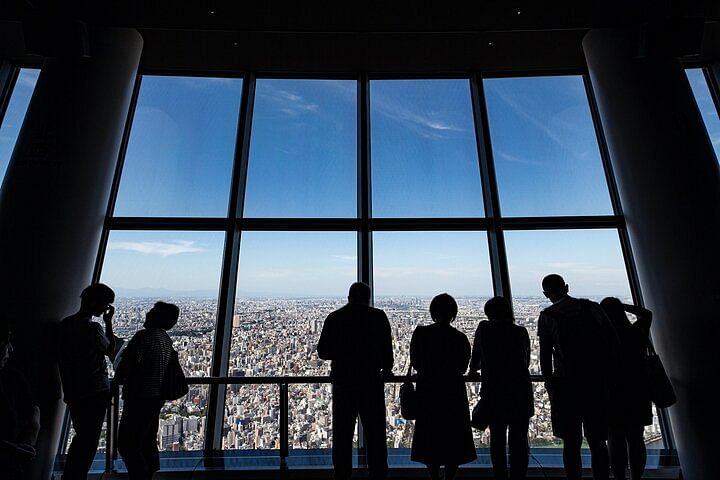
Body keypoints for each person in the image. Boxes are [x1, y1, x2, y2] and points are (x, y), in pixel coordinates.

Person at [538, 274, 619, 480]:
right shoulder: (592, 308)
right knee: (598, 442)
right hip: (596, 383)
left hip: (566, 386)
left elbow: (545, 355)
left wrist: (550, 383)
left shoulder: (548, 316)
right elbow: (612, 342)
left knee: (571, 443)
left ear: (546, 294)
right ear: (566, 287)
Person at [317, 282, 393, 480]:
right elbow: (387, 352)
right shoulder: (378, 317)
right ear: (368, 297)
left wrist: (343, 353)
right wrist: (385, 367)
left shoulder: (335, 317)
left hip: (344, 383)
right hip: (371, 382)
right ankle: (379, 474)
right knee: (375, 434)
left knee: (342, 434)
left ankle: (342, 475)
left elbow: (323, 351)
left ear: (348, 296)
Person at [410, 293, 476, 480]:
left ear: (433, 312)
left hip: (428, 391)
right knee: (453, 436)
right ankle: (449, 477)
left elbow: (415, 362)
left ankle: (434, 477)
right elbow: (463, 367)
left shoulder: (421, 333)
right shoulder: (460, 338)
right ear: (453, 313)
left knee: (430, 435)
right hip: (452, 392)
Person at [57, 283, 119, 480]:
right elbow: (111, 351)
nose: (104, 309)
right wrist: (108, 322)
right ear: (94, 303)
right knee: (89, 440)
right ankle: (76, 476)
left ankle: (72, 476)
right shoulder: (92, 328)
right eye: (104, 304)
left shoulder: (64, 325)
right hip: (94, 390)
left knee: (82, 436)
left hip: (73, 390)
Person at [114, 302, 179, 480]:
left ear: (157, 316)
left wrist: (117, 378)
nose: (147, 313)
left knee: (127, 445)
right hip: (155, 398)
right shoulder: (165, 339)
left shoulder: (144, 336)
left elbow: (127, 365)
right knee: (148, 443)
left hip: (139, 398)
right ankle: (152, 476)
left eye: (152, 311)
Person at [470, 296, 533, 480]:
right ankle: (518, 476)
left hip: (495, 392)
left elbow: (476, 358)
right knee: (519, 441)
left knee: (497, 440)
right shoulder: (520, 332)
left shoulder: (484, 328)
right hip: (520, 391)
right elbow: (526, 362)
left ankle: (500, 476)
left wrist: (474, 370)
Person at [600, 298, 653, 480]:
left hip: (612, 392)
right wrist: (621, 306)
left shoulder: (603, 338)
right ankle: (637, 477)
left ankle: (619, 477)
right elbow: (646, 314)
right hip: (638, 390)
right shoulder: (637, 332)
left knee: (615, 440)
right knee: (636, 439)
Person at [0, 315, 41, 479]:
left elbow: (33, 410)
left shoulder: (12, 378)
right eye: (5, 342)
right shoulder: (12, 379)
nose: (10, 349)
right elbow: (34, 410)